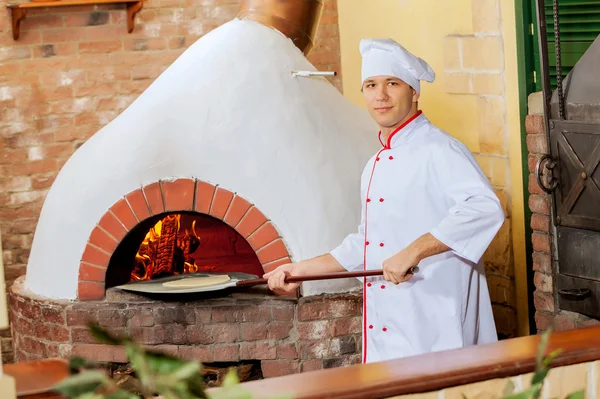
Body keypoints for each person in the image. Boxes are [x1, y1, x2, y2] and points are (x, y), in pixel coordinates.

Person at [264, 38, 505, 364]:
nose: (381, 95)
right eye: (371, 85)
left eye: (393, 83)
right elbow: (365, 242)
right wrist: (299, 271)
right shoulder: (376, 162)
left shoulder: (439, 149)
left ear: (414, 92)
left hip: (437, 318)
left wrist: (413, 250)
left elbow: (484, 207)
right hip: (392, 321)